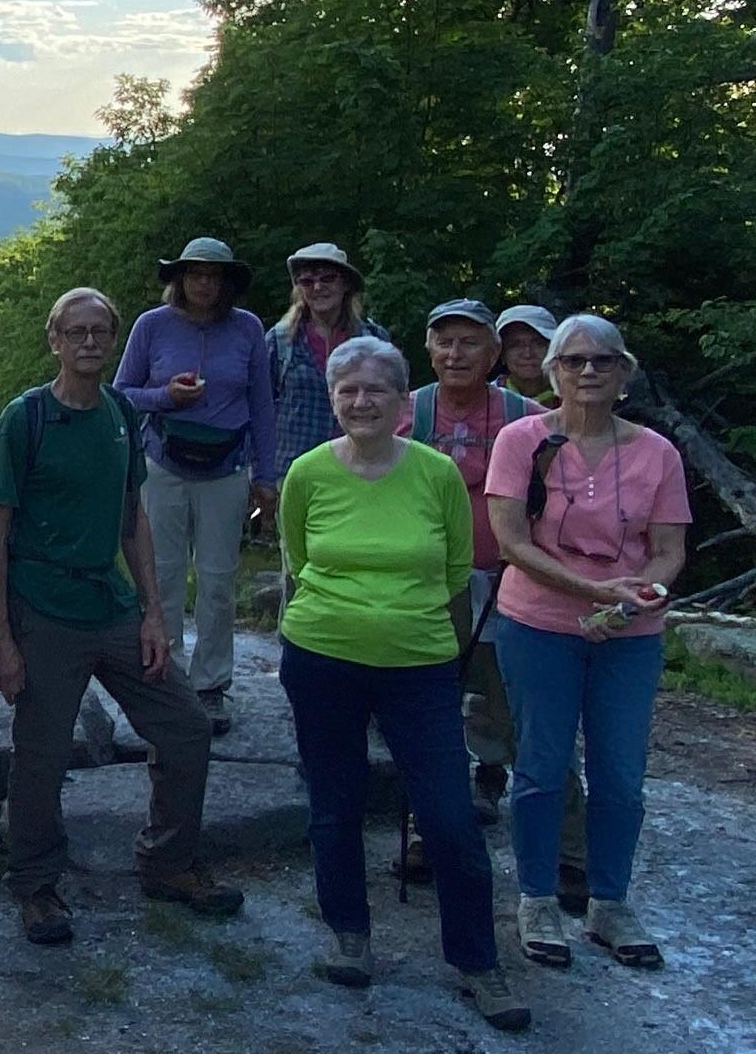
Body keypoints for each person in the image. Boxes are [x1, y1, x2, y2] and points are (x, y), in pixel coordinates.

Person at [278, 337, 529, 1032]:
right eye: (347, 390)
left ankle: (477, 961)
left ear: (400, 402)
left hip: (419, 666)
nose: (360, 401)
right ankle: (348, 934)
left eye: (375, 390)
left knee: (448, 815)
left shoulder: (435, 474)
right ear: (333, 400)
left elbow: (455, 571)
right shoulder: (306, 473)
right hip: (322, 657)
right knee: (335, 802)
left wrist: (439, 653)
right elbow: (298, 561)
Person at [0, 288, 243, 945]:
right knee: (40, 756)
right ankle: (36, 885)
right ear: (55, 340)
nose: (90, 341)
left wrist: (155, 612)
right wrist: (1, 641)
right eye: (77, 331)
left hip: (112, 605)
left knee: (185, 726)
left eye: (101, 331)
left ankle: (169, 862)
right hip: (43, 610)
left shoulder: (121, 413)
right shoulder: (27, 417)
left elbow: (134, 522)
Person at [487, 314, 688, 973]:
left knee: (622, 775)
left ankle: (609, 902)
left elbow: (667, 550)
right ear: (552, 372)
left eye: (604, 361)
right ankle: (537, 898)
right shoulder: (521, 440)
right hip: (538, 623)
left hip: (630, 633)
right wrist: (588, 588)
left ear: (625, 373)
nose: (589, 371)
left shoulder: (657, 452)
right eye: (574, 361)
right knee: (542, 766)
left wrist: (636, 594)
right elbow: (511, 541)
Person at [399, 300, 584, 885]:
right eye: (444, 342)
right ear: (428, 350)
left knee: (533, 712)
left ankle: (569, 850)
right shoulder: (407, 413)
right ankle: (431, 833)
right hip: (429, 586)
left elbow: (569, 500)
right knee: (430, 713)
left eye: (470, 343)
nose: (455, 355)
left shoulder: (530, 418)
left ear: (494, 353)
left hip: (517, 583)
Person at [113, 237, 278, 735]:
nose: (205, 283)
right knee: (160, 572)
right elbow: (120, 395)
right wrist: (168, 396)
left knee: (219, 579)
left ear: (227, 282)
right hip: (163, 463)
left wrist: (265, 476)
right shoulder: (151, 325)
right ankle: (166, 673)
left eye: (214, 275)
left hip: (227, 468)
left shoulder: (248, 328)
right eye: (195, 274)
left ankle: (210, 685)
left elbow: (263, 407)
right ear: (179, 278)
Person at [267, 242, 388, 485]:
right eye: (307, 281)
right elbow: (260, 407)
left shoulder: (373, 339)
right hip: (293, 472)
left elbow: (392, 404)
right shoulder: (280, 340)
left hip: (359, 469)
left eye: (328, 278)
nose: (318, 287)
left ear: (345, 284)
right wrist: (260, 474)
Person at [497, 305, 560, 408]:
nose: (528, 354)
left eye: (538, 343)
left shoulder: (575, 397)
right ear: (502, 354)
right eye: (515, 345)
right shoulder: (484, 400)